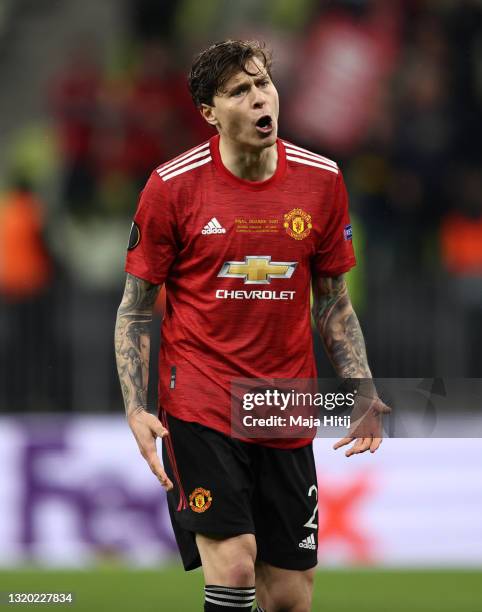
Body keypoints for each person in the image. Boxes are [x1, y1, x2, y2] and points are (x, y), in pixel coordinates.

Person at [115, 40, 387, 612]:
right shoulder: (171, 187)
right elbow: (137, 306)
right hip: (200, 401)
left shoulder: (321, 181)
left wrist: (360, 388)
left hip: (282, 404)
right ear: (210, 113)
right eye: (240, 90)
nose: (260, 97)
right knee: (235, 562)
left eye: (263, 83)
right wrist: (136, 406)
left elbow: (333, 301)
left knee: (289, 595)